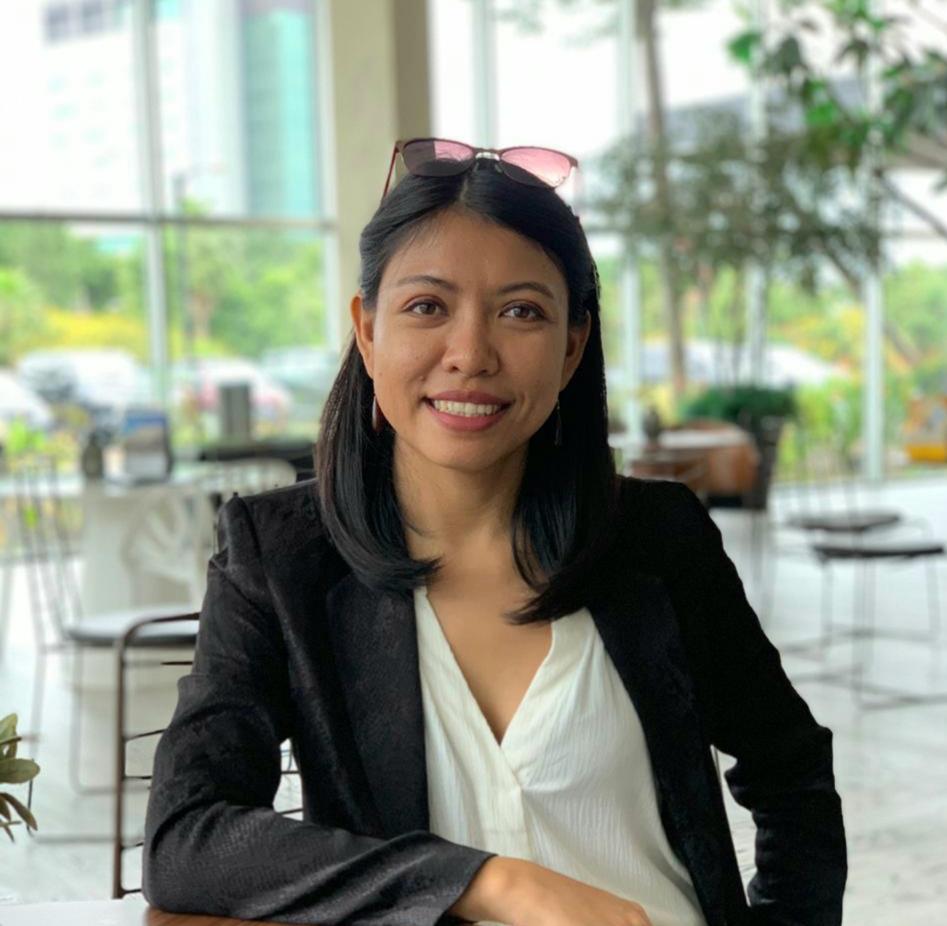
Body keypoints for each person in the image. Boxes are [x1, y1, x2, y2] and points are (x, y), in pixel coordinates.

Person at [142, 138, 846, 926]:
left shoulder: (656, 537)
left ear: (571, 345)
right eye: (426, 307)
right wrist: (490, 882)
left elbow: (791, 774)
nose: (470, 355)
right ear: (367, 331)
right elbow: (188, 839)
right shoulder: (279, 555)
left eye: (521, 312)